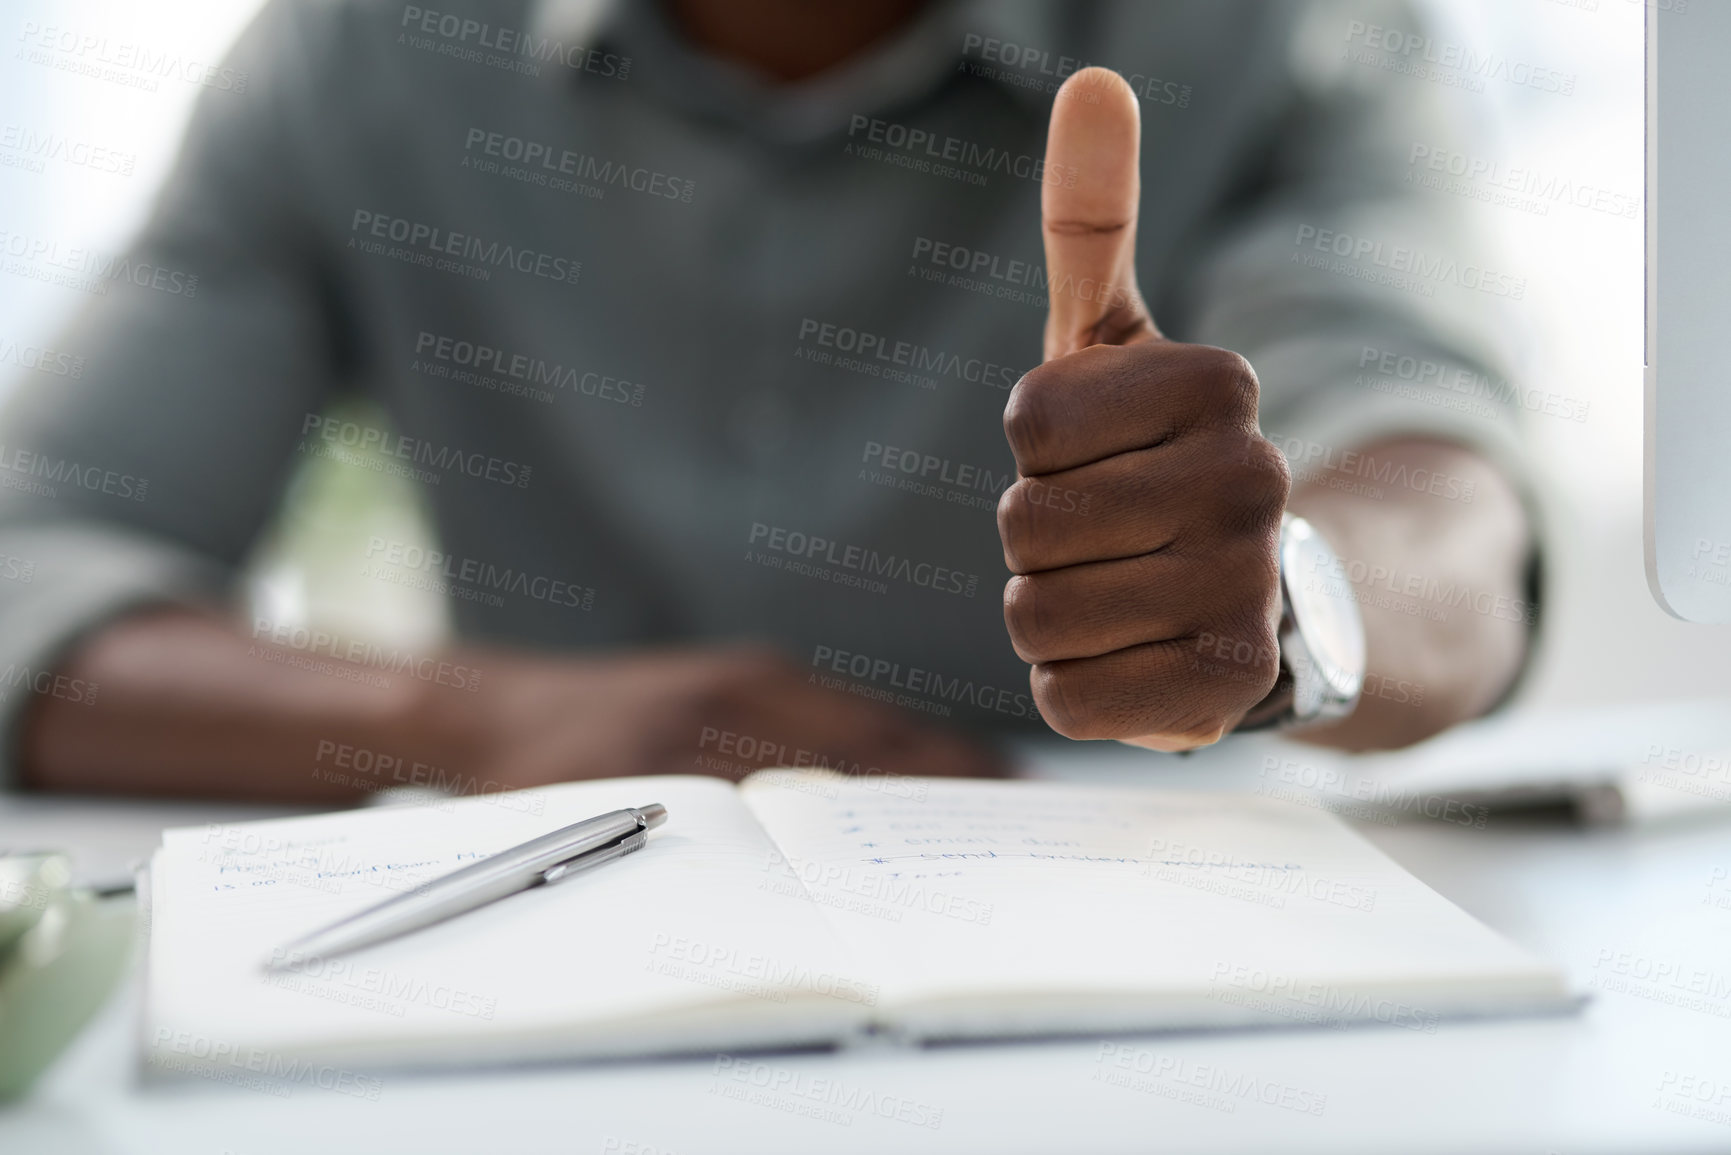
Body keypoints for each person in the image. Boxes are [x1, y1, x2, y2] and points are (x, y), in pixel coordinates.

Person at [0, 0, 1538, 801]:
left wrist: (1283, 608)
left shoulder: (1268, 34)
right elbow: (28, 569)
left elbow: (1447, 502)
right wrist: (467, 719)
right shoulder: (361, 53)